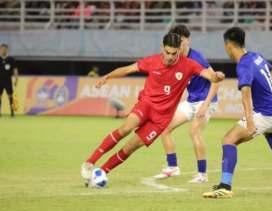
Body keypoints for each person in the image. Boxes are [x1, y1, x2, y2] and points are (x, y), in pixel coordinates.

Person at [81, 33, 225, 183]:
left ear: (179, 51)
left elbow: (211, 77)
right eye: (167, 52)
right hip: (147, 104)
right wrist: (107, 76)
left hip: (162, 119)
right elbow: (127, 70)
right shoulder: (152, 61)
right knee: (126, 128)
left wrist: (217, 77)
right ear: (162, 47)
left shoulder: (188, 64)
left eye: (174, 53)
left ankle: (101, 172)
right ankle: (90, 163)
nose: (170, 57)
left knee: (131, 146)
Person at [203, 27, 272, 199]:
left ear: (228, 45)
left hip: (265, 114)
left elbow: (246, 94)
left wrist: (250, 121)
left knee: (229, 140)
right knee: (270, 132)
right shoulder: (256, 56)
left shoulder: (243, 65)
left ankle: (225, 186)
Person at [153, 25, 220, 183]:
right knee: (164, 127)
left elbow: (215, 81)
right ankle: (172, 167)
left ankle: (202, 175)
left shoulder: (197, 58)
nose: (178, 43)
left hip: (205, 100)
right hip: (191, 100)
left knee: (194, 131)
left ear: (187, 40)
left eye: (181, 40)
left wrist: (205, 105)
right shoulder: (175, 58)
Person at [0, 44, 18, 118]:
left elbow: (15, 69)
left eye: (5, 49)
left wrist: (16, 78)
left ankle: (12, 113)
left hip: (8, 80)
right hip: (0, 81)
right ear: (1, 50)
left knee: (10, 96)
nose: (3, 50)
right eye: (2, 49)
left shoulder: (11, 59)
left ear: (7, 50)